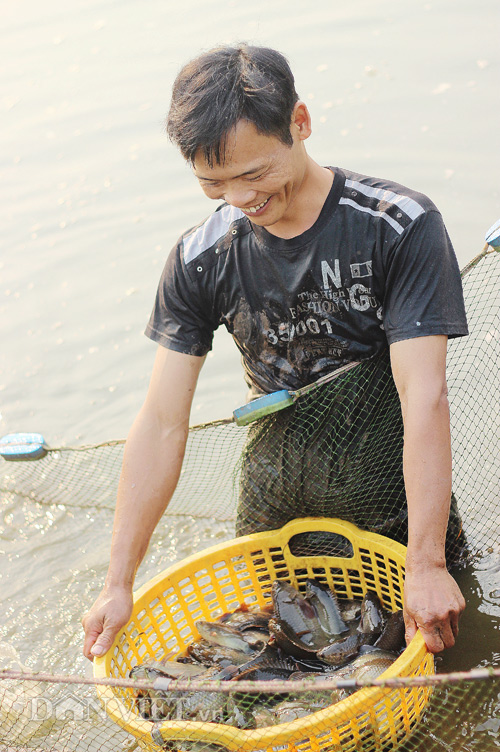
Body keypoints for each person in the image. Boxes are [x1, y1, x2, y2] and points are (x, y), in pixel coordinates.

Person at [82, 43, 468, 661]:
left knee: (419, 672)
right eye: (214, 183)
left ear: (301, 123)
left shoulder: (397, 225)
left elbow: (423, 395)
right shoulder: (199, 258)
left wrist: (426, 563)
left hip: (395, 505)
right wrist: (118, 583)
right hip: (277, 513)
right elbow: (160, 422)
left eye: (254, 174)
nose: (239, 198)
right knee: (279, 674)